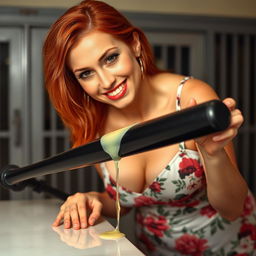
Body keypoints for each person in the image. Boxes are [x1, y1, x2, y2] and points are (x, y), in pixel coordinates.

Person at [43, 0, 256, 255]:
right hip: (153, 250)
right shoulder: (92, 121)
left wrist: (213, 154)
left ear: (133, 44)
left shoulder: (190, 99)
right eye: (86, 73)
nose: (106, 81)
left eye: (111, 58)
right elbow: (125, 203)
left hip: (229, 247)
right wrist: (94, 199)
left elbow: (232, 208)